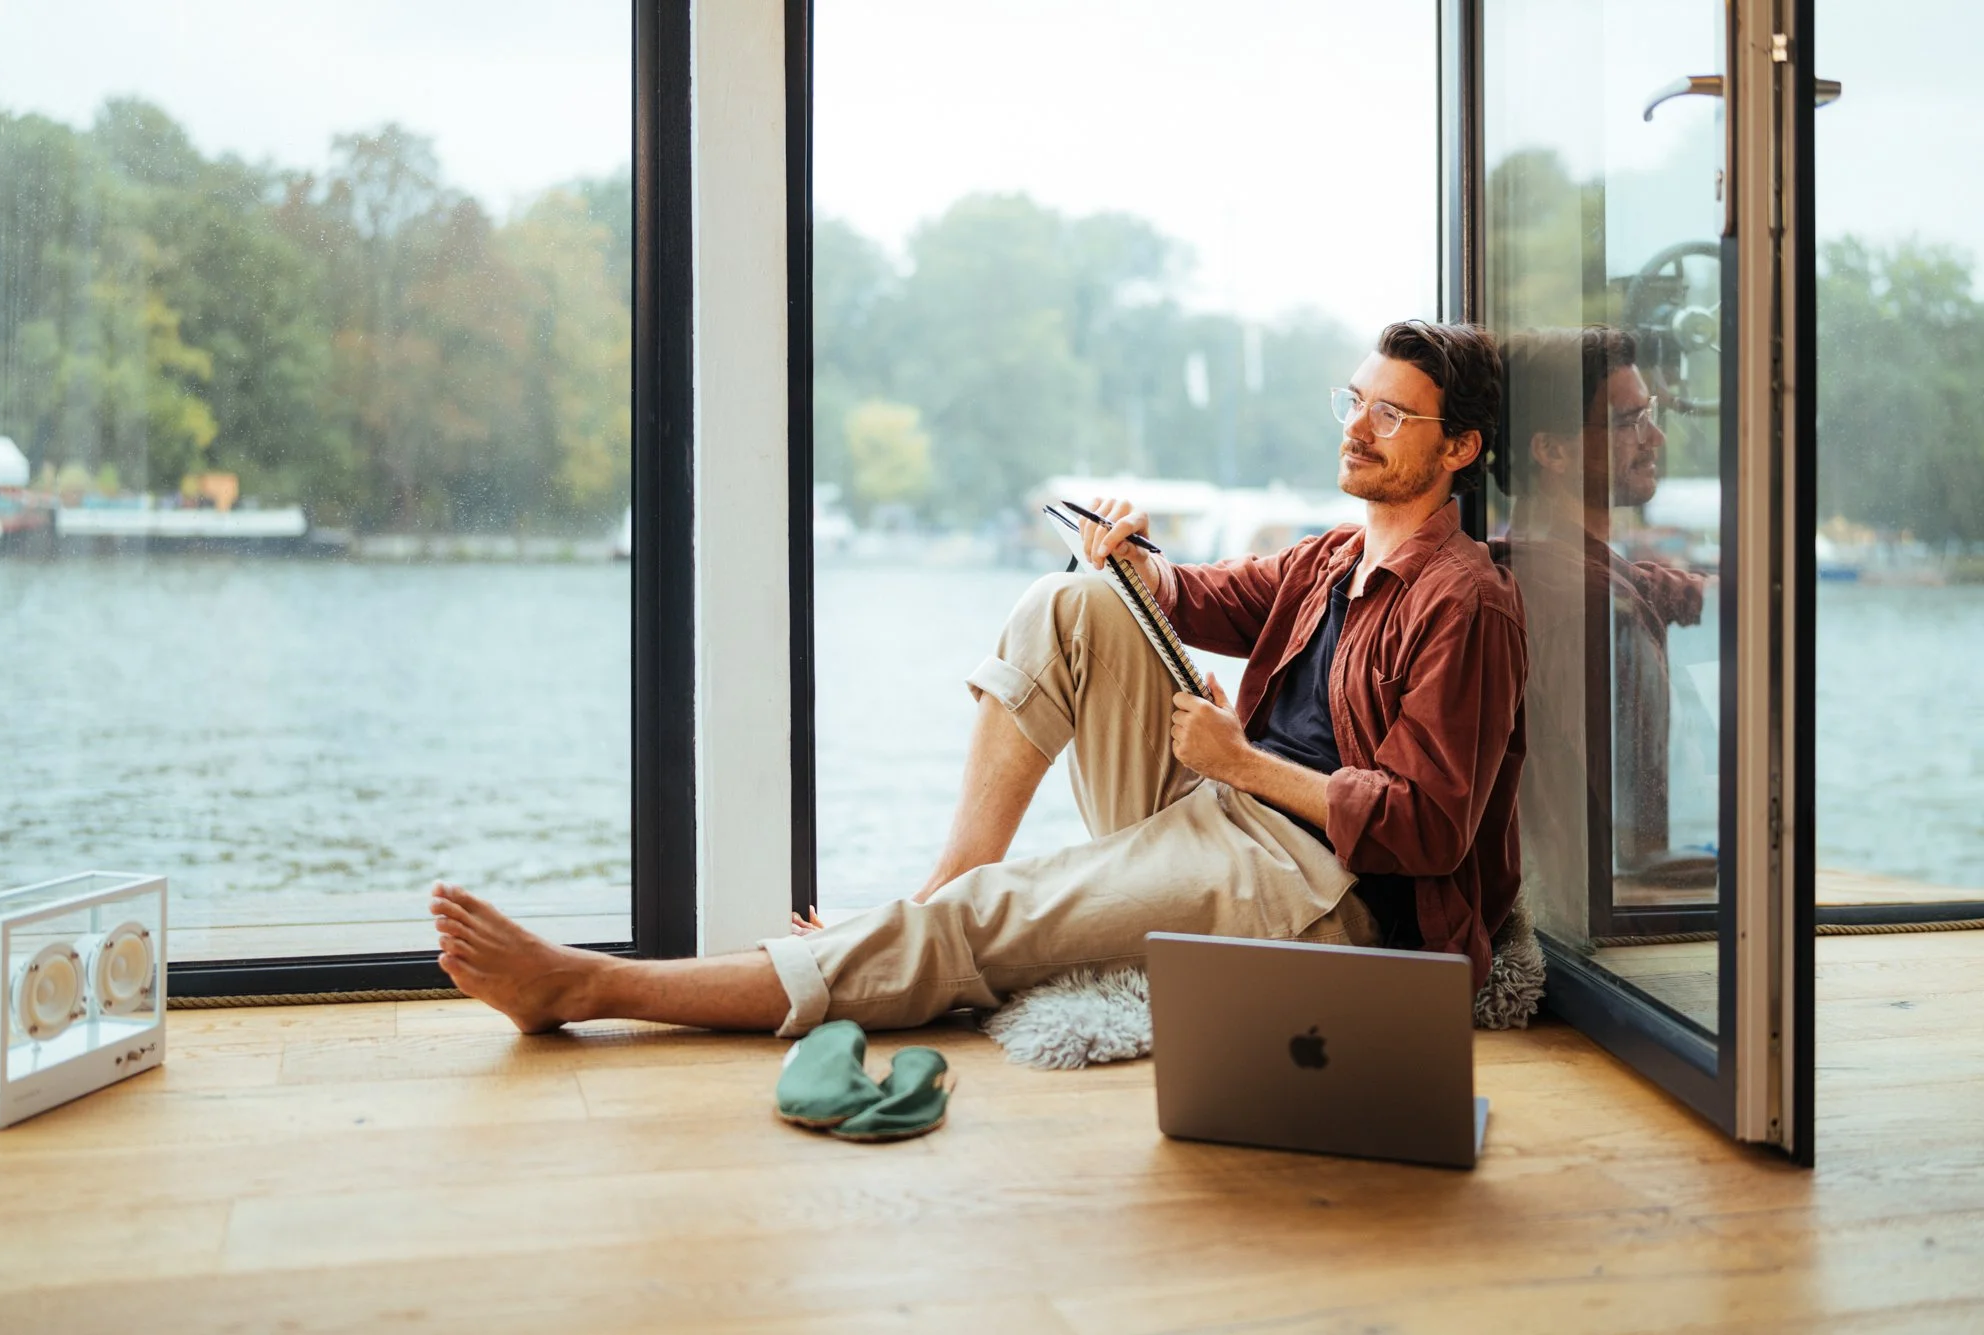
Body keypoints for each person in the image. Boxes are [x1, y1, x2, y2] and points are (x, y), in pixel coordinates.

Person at [429, 320, 1528, 1037]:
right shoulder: (1333, 554)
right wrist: (1132, 556)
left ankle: (592, 986)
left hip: (1326, 890)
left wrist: (1240, 764)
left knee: (985, 929)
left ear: (1459, 449)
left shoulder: (1462, 601)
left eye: (1392, 415)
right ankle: (949, 876)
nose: (1357, 428)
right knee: (1078, 600)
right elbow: (1190, 599)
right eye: (1353, 400)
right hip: (1225, 804)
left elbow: (1430, 830)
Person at [1493, 326, 1712, 931]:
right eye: (1629, 420)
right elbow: (1640, 850)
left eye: (1652, 413)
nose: (1656, 437)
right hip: (1593, 935)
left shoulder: (1513, 565)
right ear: (1552, 451)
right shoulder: (1598, 613)